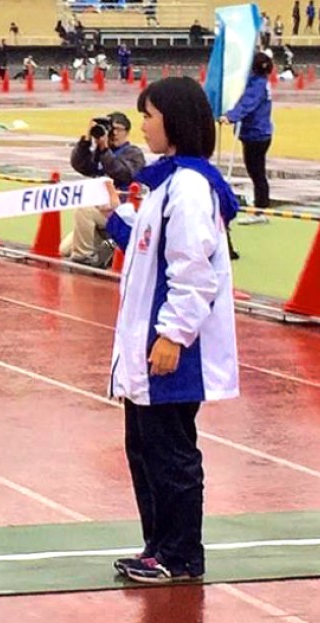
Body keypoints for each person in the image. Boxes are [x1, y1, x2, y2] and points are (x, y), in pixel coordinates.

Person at [103, 76, 239, 584]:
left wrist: (172, 336)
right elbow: (145, 248)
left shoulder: (190, 187)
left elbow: (191, 270)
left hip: (174, 352)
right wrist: (111, 215)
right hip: (146, 348)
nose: (142, 125)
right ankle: (158, 545)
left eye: (149, 116)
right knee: (144, 449)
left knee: (171, 453)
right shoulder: (168, 182)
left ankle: (181, 554)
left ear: (175, 122)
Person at [62, 112, 146, 267]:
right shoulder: (100, 152)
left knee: (84, 210)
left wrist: (105, 150)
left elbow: (122, 173)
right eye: (109, 129)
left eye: (117, 129)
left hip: (118, 212)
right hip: (99, 212)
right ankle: (106, 249)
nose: (113, 133)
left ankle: (85, 257)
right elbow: (80, 165)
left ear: (127, 132)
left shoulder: (134, 153)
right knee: (64, 250)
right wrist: (86, 141)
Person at [220, 52, 274, 224]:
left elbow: (247, 104)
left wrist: (231, 117)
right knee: (257, 172)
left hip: (256, 134)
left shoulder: (258, 85)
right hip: (258, 132)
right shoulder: (260, 82)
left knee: (257, 173)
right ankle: (260, 206)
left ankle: (260, 210)